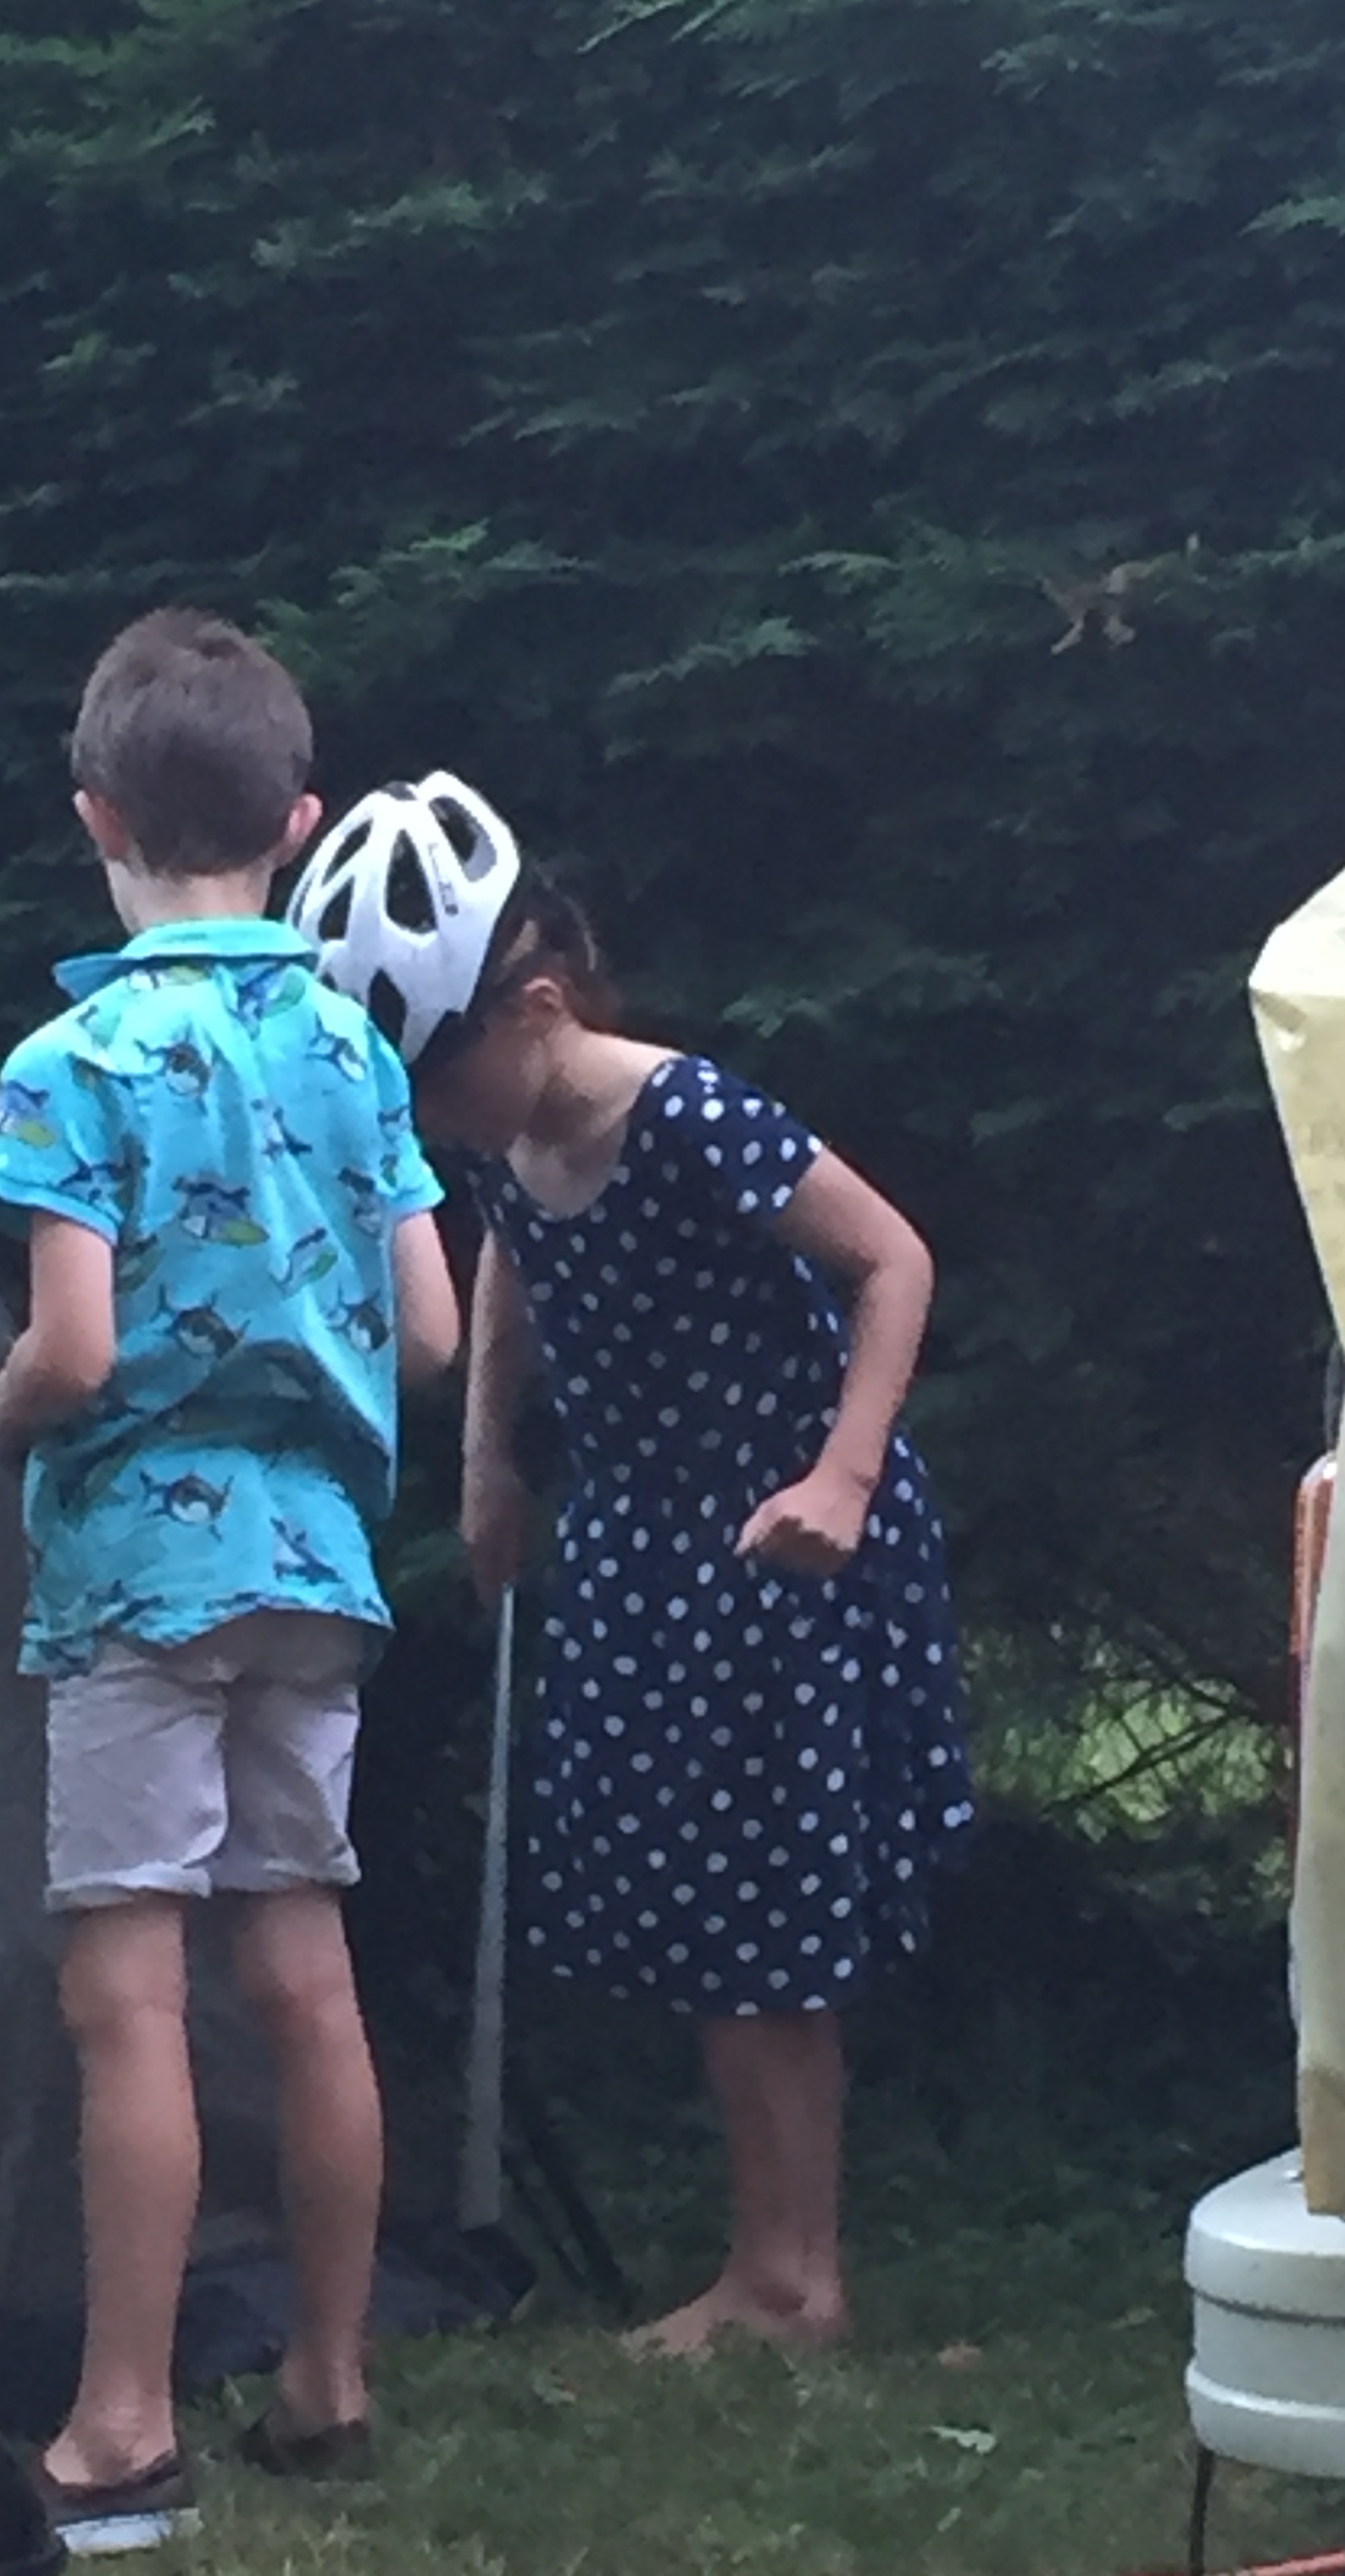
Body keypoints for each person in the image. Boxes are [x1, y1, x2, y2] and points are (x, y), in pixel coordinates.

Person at [289, 774, 973, 2355]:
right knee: (702, 1914)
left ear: (537, 1008)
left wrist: (842, 1477)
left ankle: (791, 2279)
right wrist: (489, 1468)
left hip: (781, 1543)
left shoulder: (689, 1116)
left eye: (439, 1075)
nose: (430, 1115)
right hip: (649, 1546)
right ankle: (772, 2259)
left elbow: (892, 1259)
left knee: (766, 1927)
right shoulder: (510, 1141)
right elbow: (512, 1278)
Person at [0, 612, 460, 2550]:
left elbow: (75, 1350)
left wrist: (4, 1408)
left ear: (96, 816)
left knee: (131, 1993)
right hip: (319, 1567)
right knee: (303, 1968)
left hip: (141, 1582)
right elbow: (432, 1331)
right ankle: (330, 2381)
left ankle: (119, 2427)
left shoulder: (72, 1059)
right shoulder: (351, 1045)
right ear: (301, 822)